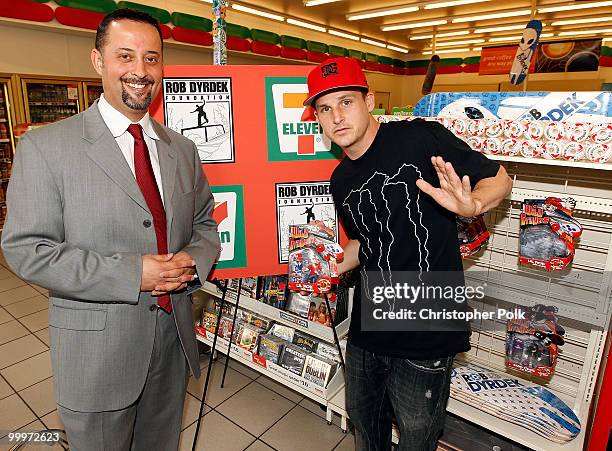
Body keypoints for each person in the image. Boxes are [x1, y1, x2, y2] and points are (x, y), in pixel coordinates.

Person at [1, 9, 220, 451]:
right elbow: (27, 249)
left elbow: (204, 222)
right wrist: (131, 273)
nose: (140, 71)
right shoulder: (47, 147)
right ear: (98, 61)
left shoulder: (182, 149)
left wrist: (192, 260)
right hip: (98, 355)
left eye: (151, 58)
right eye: (125, 56)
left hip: (172, 340)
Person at [304, 57, 512, 450]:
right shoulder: (341, 179)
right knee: (366, 431)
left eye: (346, 101)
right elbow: (368, 242)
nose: (337, 117)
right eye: (325, 109)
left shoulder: (421, 138)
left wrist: (474, 205)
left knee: (418, 439)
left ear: (367, 101)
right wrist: (326, 263)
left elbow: (499, 179)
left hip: (427, 328)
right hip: (368, 327)